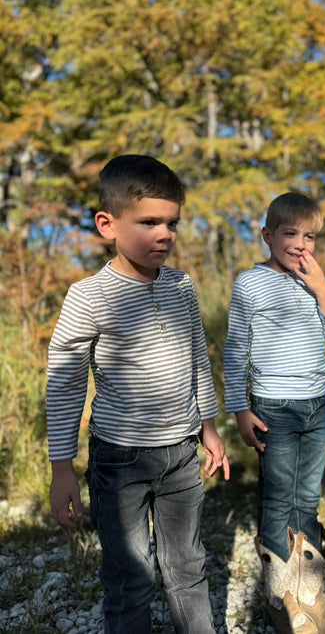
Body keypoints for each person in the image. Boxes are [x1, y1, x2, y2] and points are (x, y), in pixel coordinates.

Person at [46, 154, 230, 634]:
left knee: (188, 567)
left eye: (172, 222)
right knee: (130, 576)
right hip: (119, 460)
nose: (164, 234)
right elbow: (65, 383)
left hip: (182, 455)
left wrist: (208, 427)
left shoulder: (181, 285)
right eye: (148, 222)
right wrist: (61, 468)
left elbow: (196, 357)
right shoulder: (89, 296)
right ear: (107, 224)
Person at [224, 192, 325, 634]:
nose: (300, 244)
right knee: (278, 497)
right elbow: (234, 352)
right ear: (267, 235)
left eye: (310, 236)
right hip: (273, 407)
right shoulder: (249, 283)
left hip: (317, 404)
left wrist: (322, 288)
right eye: (290, 234)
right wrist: (240, 409)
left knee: (307, 496)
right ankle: (280, 595)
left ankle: (309, 591)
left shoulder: (313, 278)